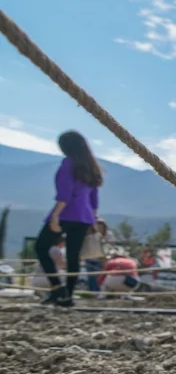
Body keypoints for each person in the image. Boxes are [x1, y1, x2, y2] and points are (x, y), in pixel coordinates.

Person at [34, 130, 102, 306]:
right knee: (73, 257)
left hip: (65, 214)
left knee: (41, 248)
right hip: (84, 217)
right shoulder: (90, 167)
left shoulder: (67, 164)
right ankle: (68, 296)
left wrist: (55, 216)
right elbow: (94, 198)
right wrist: (94, 221)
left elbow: (64, 195)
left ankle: (57, 288)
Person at [83, 219, 116, 292]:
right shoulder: (90, 235)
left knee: (100, 276)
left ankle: (100, 291)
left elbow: (111, 246)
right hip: (90, 257)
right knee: (91, 277)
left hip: (102, 258)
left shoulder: (108, 235)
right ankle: (92, 291)